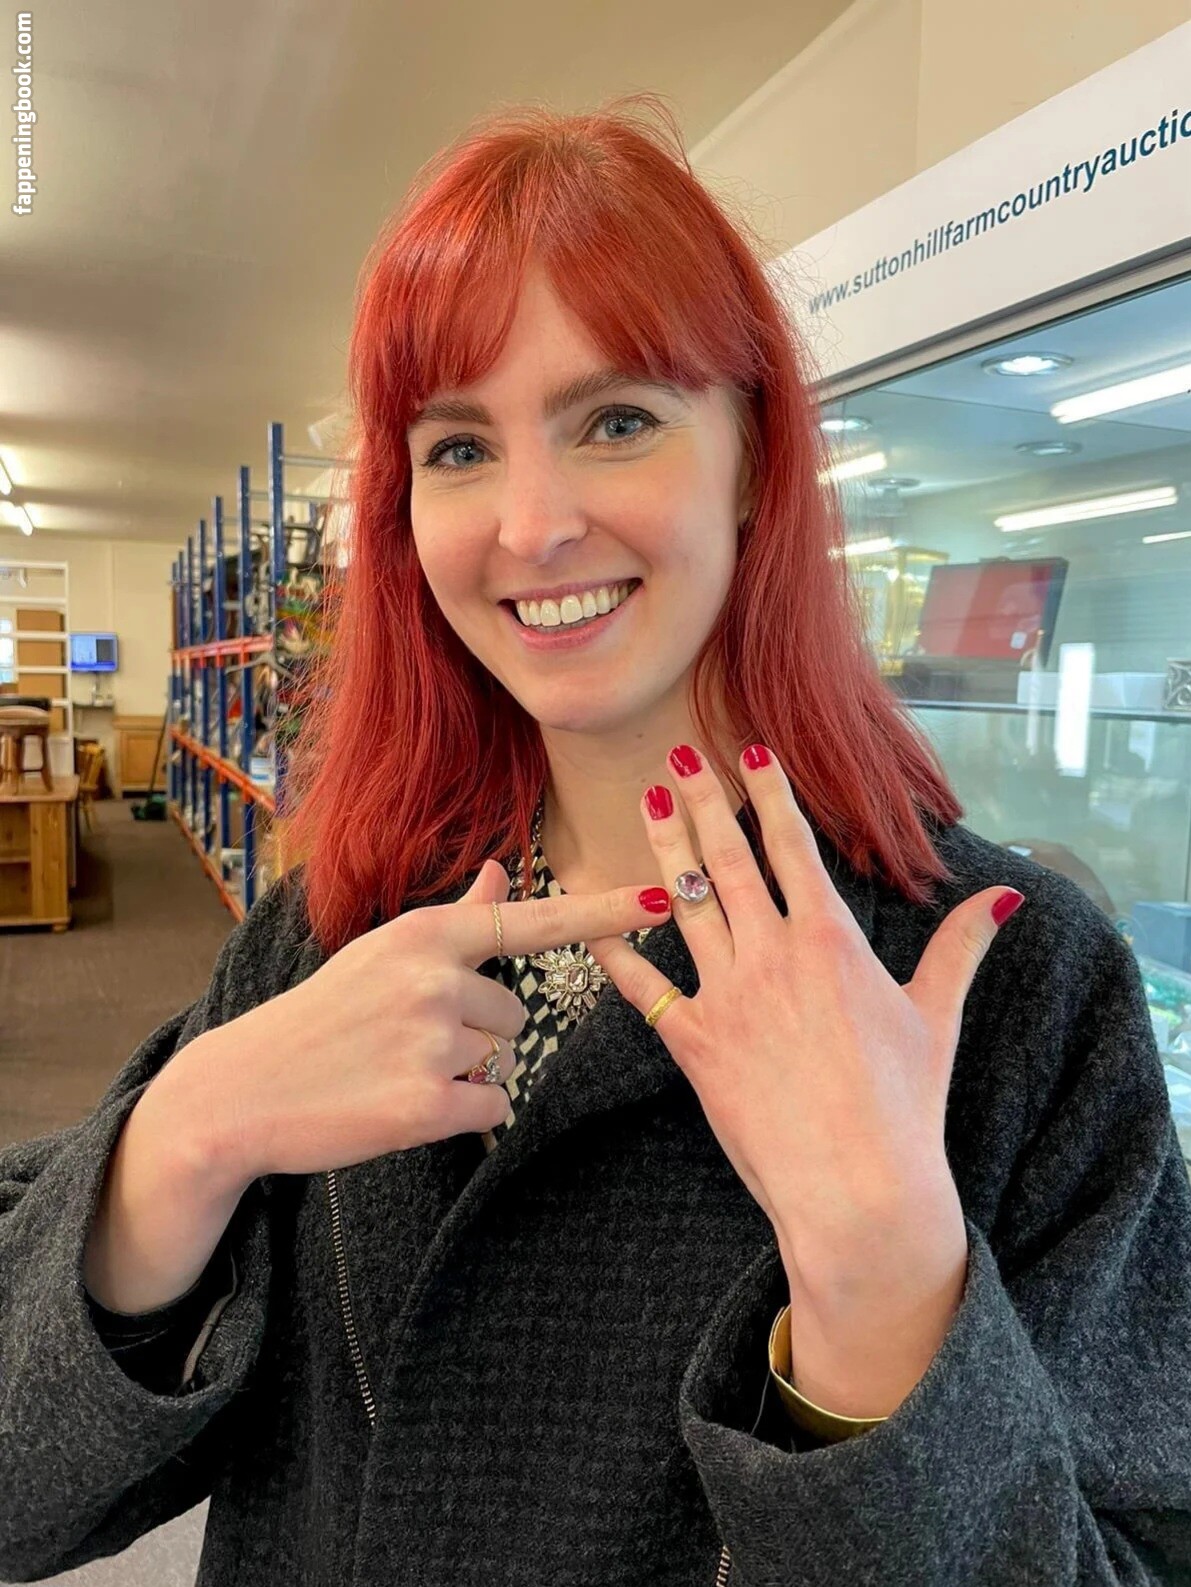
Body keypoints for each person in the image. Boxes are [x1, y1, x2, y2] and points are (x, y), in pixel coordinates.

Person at [2, 96, 1190, 1587]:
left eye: (616, 420)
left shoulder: (1011, 987)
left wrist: (887, 1282)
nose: (531, 524)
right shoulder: (333, 932)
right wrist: (189, 1132)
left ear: (754, 459)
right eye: (457, 447)